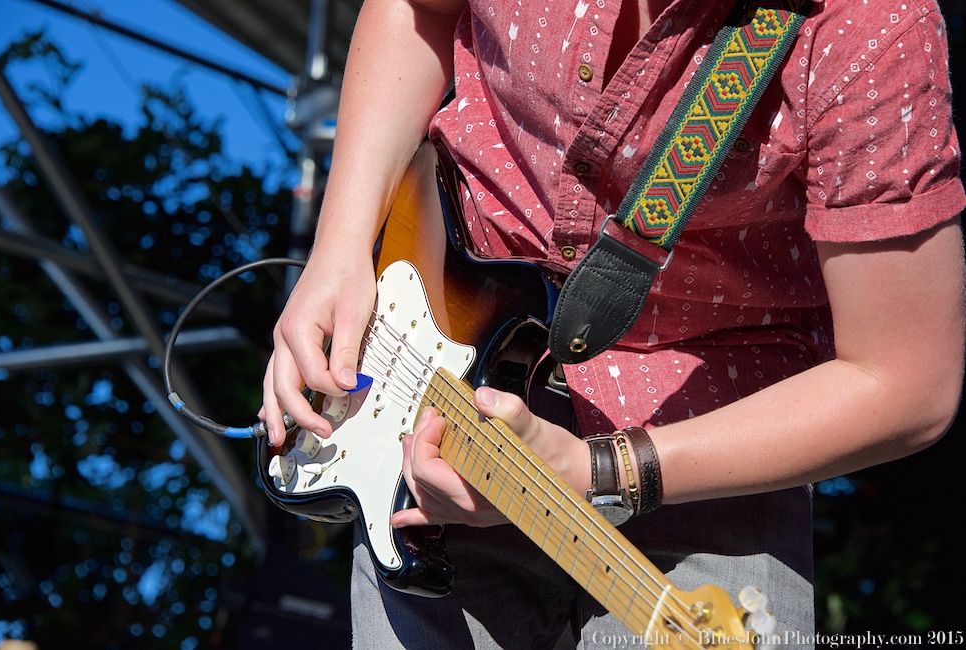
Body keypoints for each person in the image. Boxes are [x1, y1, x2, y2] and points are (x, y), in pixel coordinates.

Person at [260, 0, 965, 647]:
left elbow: (907, 382)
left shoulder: (872, 23)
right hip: (428, 391)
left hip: (712, 454)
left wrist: (597, 471)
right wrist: (339, 248)